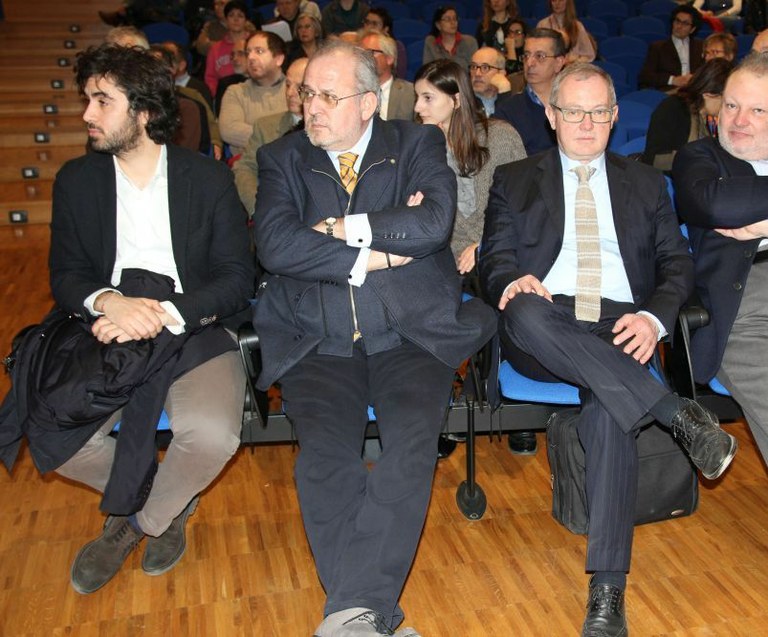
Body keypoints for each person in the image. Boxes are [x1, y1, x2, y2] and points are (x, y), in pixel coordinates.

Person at [480, 61, 737, 637]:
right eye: (574, 111)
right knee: (523, 309)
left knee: (609, 407)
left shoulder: (644, 183)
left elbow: (677, 265)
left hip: (623, 325)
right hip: (545, 322)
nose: (587, 123)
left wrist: (652, 317)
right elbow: (495, 259)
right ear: (552, 116)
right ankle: (675, 413)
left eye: (598, 112)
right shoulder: (514, 178)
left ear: (615, 115)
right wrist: (510, 281)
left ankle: (607, 589)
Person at [252, 40, 496, 636]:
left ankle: (351, 614)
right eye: (308, 94)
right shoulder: (282, 157)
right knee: (325, 458)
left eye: (328, 96)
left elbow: (432, 224)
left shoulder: (416, 143)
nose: (312, 107)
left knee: (410, 448)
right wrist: (375, 254)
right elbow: (275, 245)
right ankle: (366, 614)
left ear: (368, 102)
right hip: (317, 334)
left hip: (410, 330)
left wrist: (335, 229)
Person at [45, 44, 252, 594]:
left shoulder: (207, 179)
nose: (87, 114)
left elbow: (237, 278)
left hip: (192, 325)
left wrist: (164, 312)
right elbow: (65, 274)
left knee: (211, 435)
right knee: (54, 433)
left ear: (142, 111)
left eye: (101, 101)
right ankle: (170, 498)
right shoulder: (76, 181)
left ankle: (139, 523)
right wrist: (108, 301)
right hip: (106, 328)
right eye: (87, 100)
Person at [673, 51, 768, 471]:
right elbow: (715, 206)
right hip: (744, 310)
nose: (739, 120)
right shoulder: (700, 157)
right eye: (731, 105)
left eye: (757, 110)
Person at [414, 58, 525, 277]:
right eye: (416, 97)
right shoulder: (419, 149)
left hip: (501, 255)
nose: (417, 107)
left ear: (456, 100)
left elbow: (523, 206)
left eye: (428, 98)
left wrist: (484, 245)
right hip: (444, 265)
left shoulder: (500, 138)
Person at [234, 57, 308, 215]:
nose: (290, 93)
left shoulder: (331, 129)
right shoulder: (265, 127)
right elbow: (245, 169)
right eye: (287, 85)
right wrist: (261, 208)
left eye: (300, 87)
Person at [642, 57, 731, 171]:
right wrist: (698, 158)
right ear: (708, 94)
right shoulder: (672, 109)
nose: (729, 107)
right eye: (726, 101)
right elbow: (653, 159)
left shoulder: (710, 118)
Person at [495, 29, 565, 167]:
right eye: (526, 55)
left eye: (540, 56)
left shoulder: (574, 106)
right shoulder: (507, 111)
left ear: (559, 62)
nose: (530, 63)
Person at [219, 30, 286, 156]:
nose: (250, 57)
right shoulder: (235, 92)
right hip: (249, 164)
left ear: (278, 59)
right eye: (248, 52)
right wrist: (284, 139)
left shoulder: (295, 90)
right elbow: (228, 131)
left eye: (259, 51)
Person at [639, 5, 704, 91]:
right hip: (669, 91)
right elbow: (646, 77)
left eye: (685, 23)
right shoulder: (658, 47)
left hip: (694, 90)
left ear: (692, 29)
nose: (679, 26)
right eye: (677, 21)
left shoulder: (700, 46)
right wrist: (673, 80)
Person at [204, 0, 256, 96]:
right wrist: (218, 95)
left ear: (246, 21)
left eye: (240, 16)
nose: (236, 20)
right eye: (231, 15)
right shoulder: (215, 49)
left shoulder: (255, 43)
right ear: (226, 20)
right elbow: (210, 78)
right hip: (223, 95)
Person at [359, 31, 414, 121]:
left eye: (370, 53)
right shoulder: (352, 92)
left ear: (389, 58)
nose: (363, 59)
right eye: (361, 54)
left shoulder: (411, 93)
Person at [423, 5, 478, 71]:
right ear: (438, 25)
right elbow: (428, 70)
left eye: (454, 19)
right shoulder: (431, 42)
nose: (452, 22)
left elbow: (475, 69)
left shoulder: (470, 42)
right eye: (447, 19)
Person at [363, 7, 407, 80]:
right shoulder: (357, 44)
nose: (369, 27)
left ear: (385, 29)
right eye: (367, 22)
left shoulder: (396, 47)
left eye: (374, 24)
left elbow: (399, 75)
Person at [469, 47, 512, 116]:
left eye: (485, 67)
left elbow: (508, 121)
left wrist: (504, 93)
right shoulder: (462, 102)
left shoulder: (515, 100)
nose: (477, 73)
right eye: (473, 67)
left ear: (501, 73)